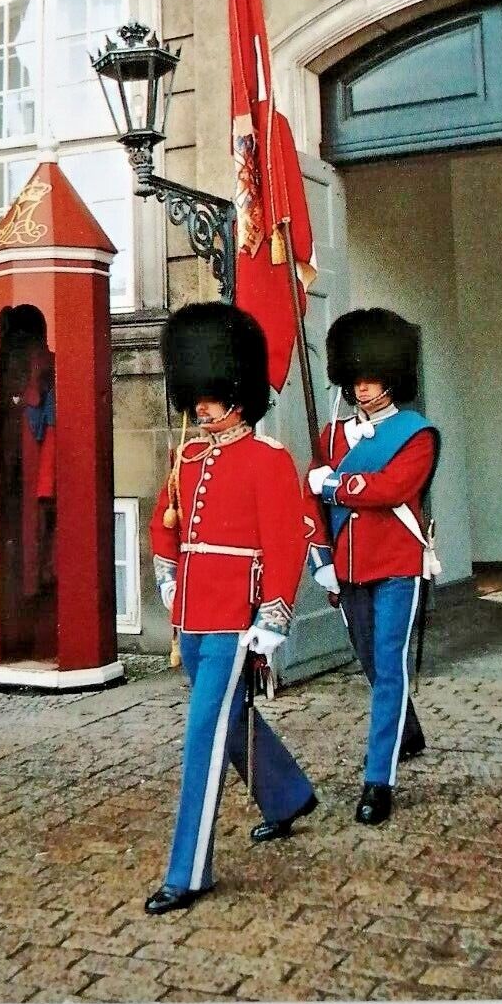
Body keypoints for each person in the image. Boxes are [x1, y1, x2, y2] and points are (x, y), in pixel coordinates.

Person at [145, 303, 317, 917]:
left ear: (238, 395)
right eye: (198, 395)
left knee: (202, 735)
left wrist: (272, 613)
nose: (201, 406)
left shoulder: (269, 460)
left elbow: (285, 540)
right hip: (190, 613)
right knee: (227, 717)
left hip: (235, 618)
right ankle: (288, 794)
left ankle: (188, 870)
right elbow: (166, 523)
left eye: (212, 395)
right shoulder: (188, 457)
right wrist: (166, 572)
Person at [303, 308, 440, 828]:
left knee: (389, 665)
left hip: (397, 563)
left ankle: (377, 780)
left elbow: (391, 489)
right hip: (348, 568)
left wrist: (335, 484)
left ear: (392, 379)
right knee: (374, 663)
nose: (363, 389)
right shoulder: (332, 436)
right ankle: (407, 731)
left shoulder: (416, 434)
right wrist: (321, 561)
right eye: (356, 378)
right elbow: (309, 504)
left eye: (373, 378)